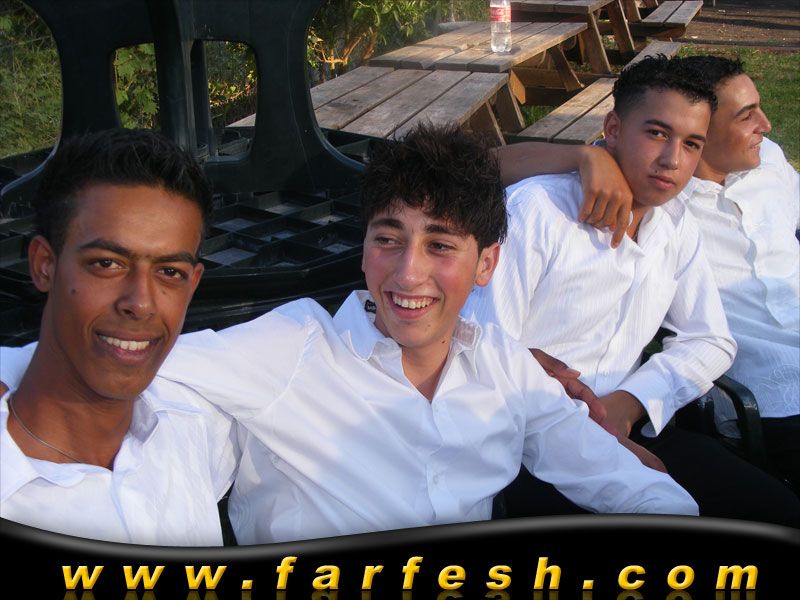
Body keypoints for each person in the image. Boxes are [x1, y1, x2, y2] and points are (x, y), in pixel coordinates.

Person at [149, 123, 697, 544]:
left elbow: (622, 479)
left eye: (440, 246)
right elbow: (145, 378)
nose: (408, 274)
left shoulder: (505, 369)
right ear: (363, 247)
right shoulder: (291, 349)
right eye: (388, 240)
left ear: (486, 265)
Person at [466, 56, 800, 526]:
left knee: (778, 512)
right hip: (527, 441)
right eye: (657, 134)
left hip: (629, 422)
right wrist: (588, 436)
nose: (672, 160)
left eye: (691, 144)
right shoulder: (538, 212)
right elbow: (482, 350)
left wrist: (631, 402)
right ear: (613, 129)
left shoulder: (675, 223)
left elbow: (711, 338)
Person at [0, 129, 239, 545]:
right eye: (107, 263)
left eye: (170, 272)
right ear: (44, 265)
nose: (140, 303)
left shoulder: (194, 424)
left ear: (193, 284)